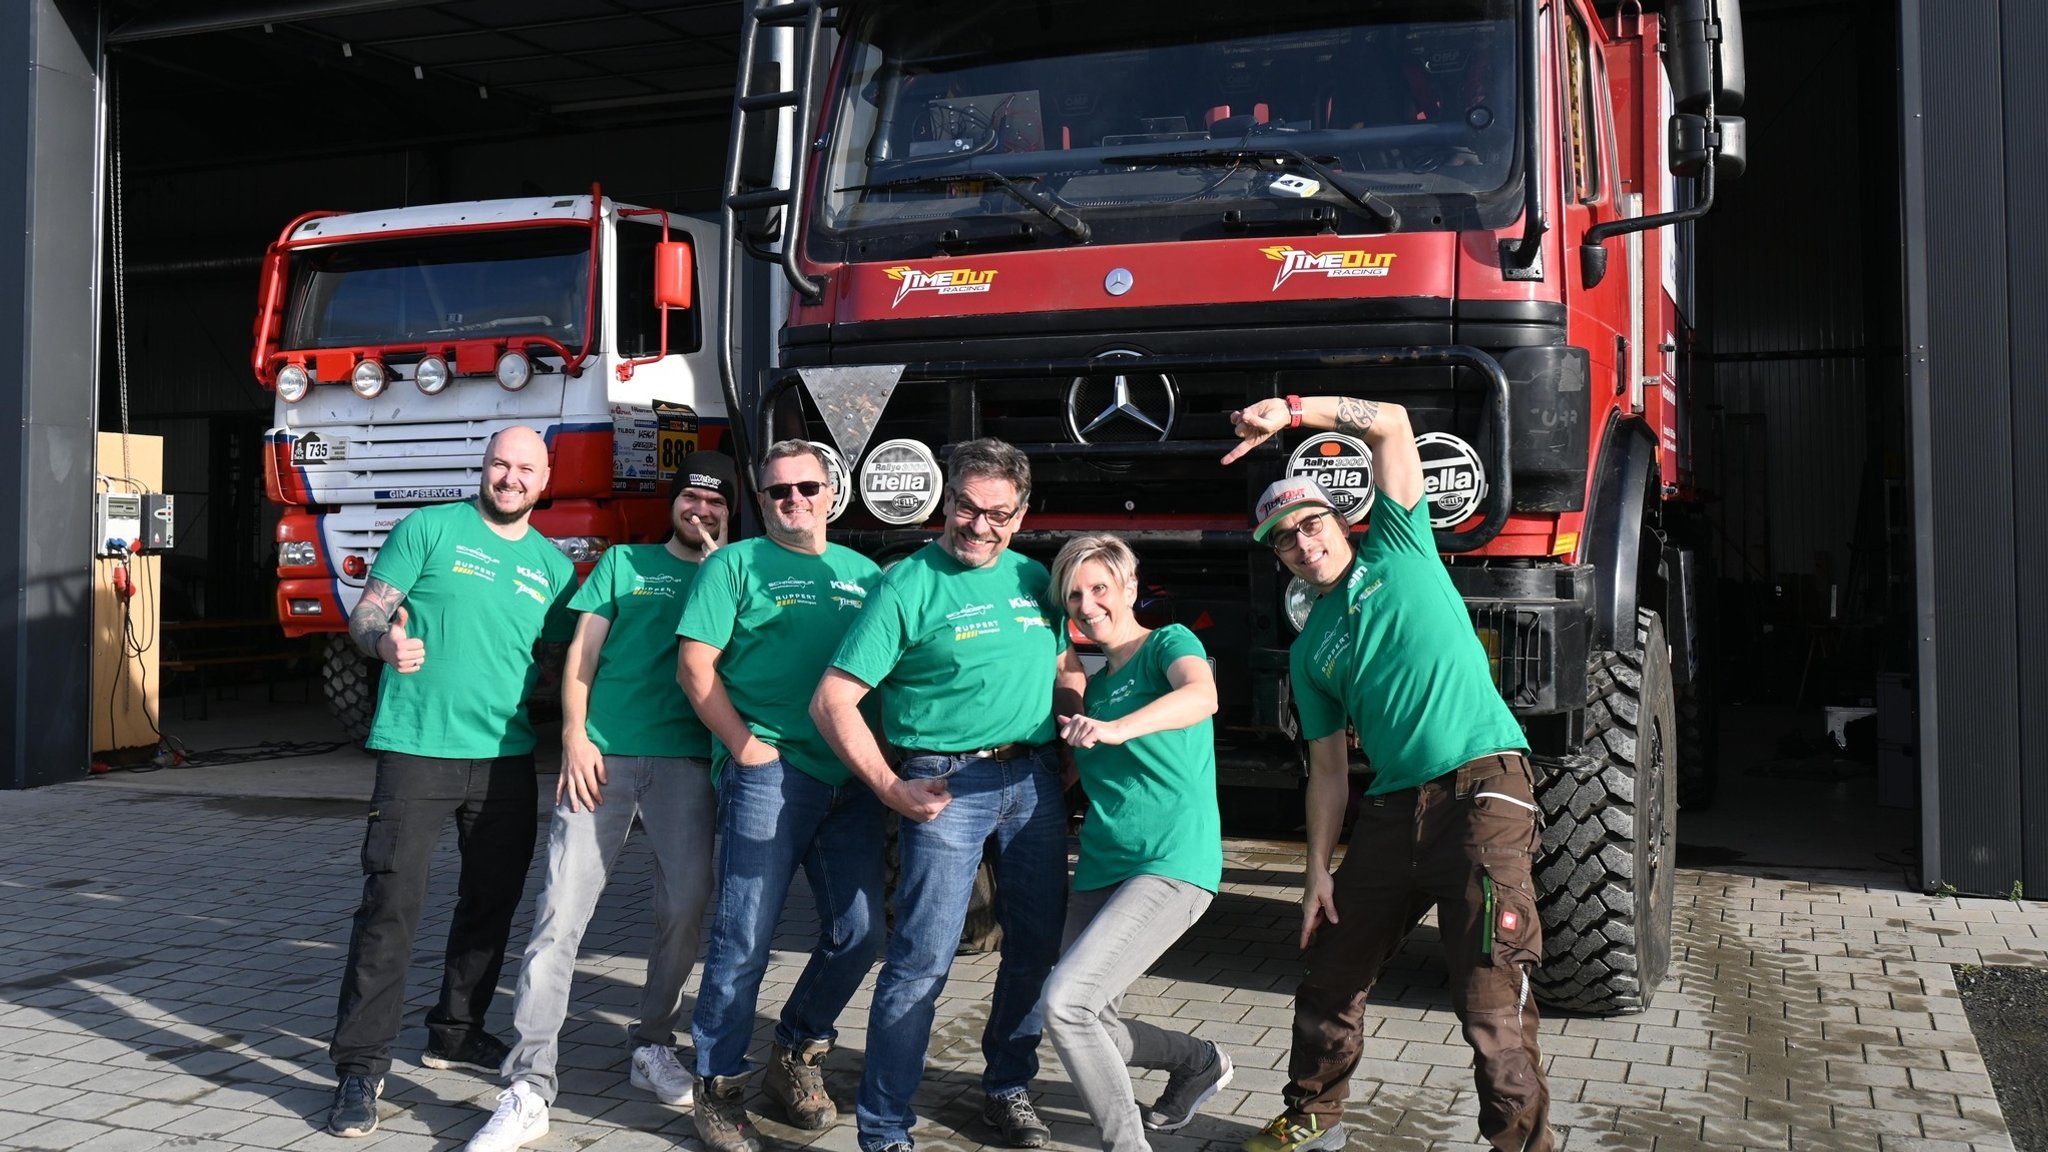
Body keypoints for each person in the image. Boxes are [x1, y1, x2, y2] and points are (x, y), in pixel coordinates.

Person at [1222, 396, 1550, 1152]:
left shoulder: (1400, 547)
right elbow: (1329, 774)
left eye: (1311, 525)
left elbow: (1393, 422)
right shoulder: (1311, 654)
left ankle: (1523, 1147)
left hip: (1483, 792)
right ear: (1279, 559)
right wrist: (1315, 874)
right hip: (1394, 813)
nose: (1305, 545)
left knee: (1489, 1004)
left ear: (1341, 521)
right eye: (1286, 542)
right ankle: (1311, 1118)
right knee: (1330, 976)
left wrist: (1296, 412)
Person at [812, 437, 1083, 1152]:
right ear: (946, 500)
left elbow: (1066, 660)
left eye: (998, 512)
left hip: (1032, 783)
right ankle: (884, 1127)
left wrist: (1068, 720)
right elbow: (834, 700)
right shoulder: (906, 584)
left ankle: (1006, 1085)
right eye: (967, 506)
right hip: (944, 783)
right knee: (922, 962)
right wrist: (890, 786)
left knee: (1034, 947)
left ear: (1020, 516)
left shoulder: (1035, 578)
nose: (978, 524)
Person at [463, 451, 738, 1152]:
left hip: (683, 761)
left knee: (684, 908)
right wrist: (575, 738)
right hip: (604, 756)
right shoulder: (624, 564)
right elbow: (581, 659)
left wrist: (725, 570)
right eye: (691, 499)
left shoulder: (738, 572)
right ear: (673, 503)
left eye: (716, 503)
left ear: (730, 514)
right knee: (560, 914)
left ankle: (652, 1043)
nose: (700, 511)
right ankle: (528, 1085)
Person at [326, 426, 578, 1139]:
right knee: (391, 907)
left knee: (491, 905)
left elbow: (564, 662)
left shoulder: (554, 568)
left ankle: (456, 1029)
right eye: (501, 463)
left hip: (505, 758)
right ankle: (361, 1068)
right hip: (417, 749)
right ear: (484, 466)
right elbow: (367, 612)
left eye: (524, 468)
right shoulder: (429, 530)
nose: (510, 477)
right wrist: (385, 642)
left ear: (544, 477)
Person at [678, 440, 888, 1152]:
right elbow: (694, 666)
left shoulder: (865, 574)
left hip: (850, 781)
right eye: (777, 492)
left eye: (806, 487)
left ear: (832, 492)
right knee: (744, 936)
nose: (793, 500)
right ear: (760, 501)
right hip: (771, 772)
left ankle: (796, 1051)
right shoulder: (734, 565)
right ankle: (717, 1085)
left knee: (860, 932)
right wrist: (743, 746)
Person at [1040, 535, 1233, 1152]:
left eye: (1100, 587)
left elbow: (1202, 697)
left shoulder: (1167, 644)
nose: (1089, 603)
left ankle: (1126, 1145)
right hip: (1101, 864)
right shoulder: (1090, 692)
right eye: (1074, 594)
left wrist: (1118, 729)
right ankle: (1199, 1061)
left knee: (1066, 1004)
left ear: (1129, 587)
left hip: (1172, 860)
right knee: (1086, 1017)